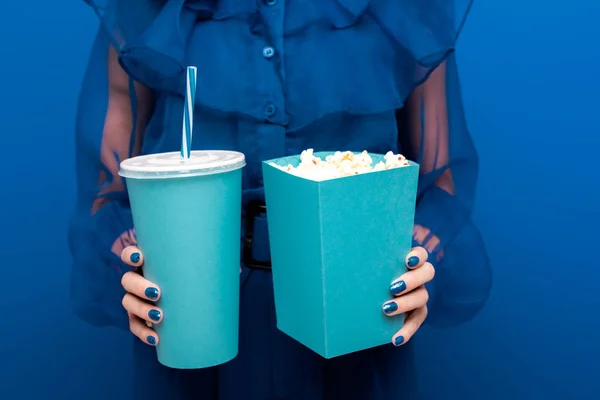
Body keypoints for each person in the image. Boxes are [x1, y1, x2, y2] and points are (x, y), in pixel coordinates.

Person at [70, 0, 492, 398]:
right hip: (191, 325)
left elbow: (441, 179)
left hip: (358, 317)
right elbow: (108, 192)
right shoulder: (151, 10)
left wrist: (417, 264)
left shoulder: (401, 7)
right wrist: (131, 268)